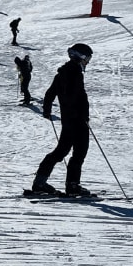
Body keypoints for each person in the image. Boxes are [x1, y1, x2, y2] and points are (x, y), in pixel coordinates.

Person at [30, 43, 93, 196]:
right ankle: (72, 185)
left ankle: (40, 182)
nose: (89, 62)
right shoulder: (75, 73)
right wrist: (82, 114)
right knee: (79, 152)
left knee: (61, 151)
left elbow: (50, 93)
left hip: (68, 119)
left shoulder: (62, 73)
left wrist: (47, 110)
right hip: (77, 120)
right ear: (81, 57)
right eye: (88, 58)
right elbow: (77, 97)